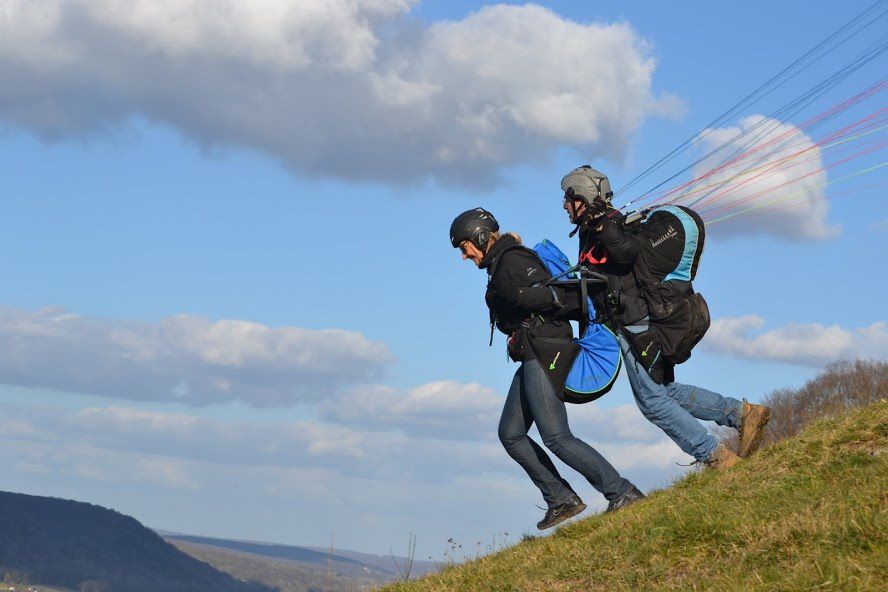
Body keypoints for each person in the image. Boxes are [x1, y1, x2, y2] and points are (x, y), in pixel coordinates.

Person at [559, 166, 772, 468]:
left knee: (653, 403)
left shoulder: (611, 225)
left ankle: (715, 456)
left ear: (581, 196)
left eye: (567, 199)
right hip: (630, 321)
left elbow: (625, 255)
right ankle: (742, 414)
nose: (564, 206)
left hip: (637, 323)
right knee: (663, 391)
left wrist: (603, 224)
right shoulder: (592, 230)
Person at [450, 207, 644, 530]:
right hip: (532, 350)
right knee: (510, 434)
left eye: (464, 246)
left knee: (556, 436)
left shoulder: (513, 260)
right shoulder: (500, 263)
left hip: (546, 348)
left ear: (480, 236)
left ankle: (622, 491)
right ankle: (561, 498)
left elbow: (558, 299)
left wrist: (519, 296)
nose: (464, 255)